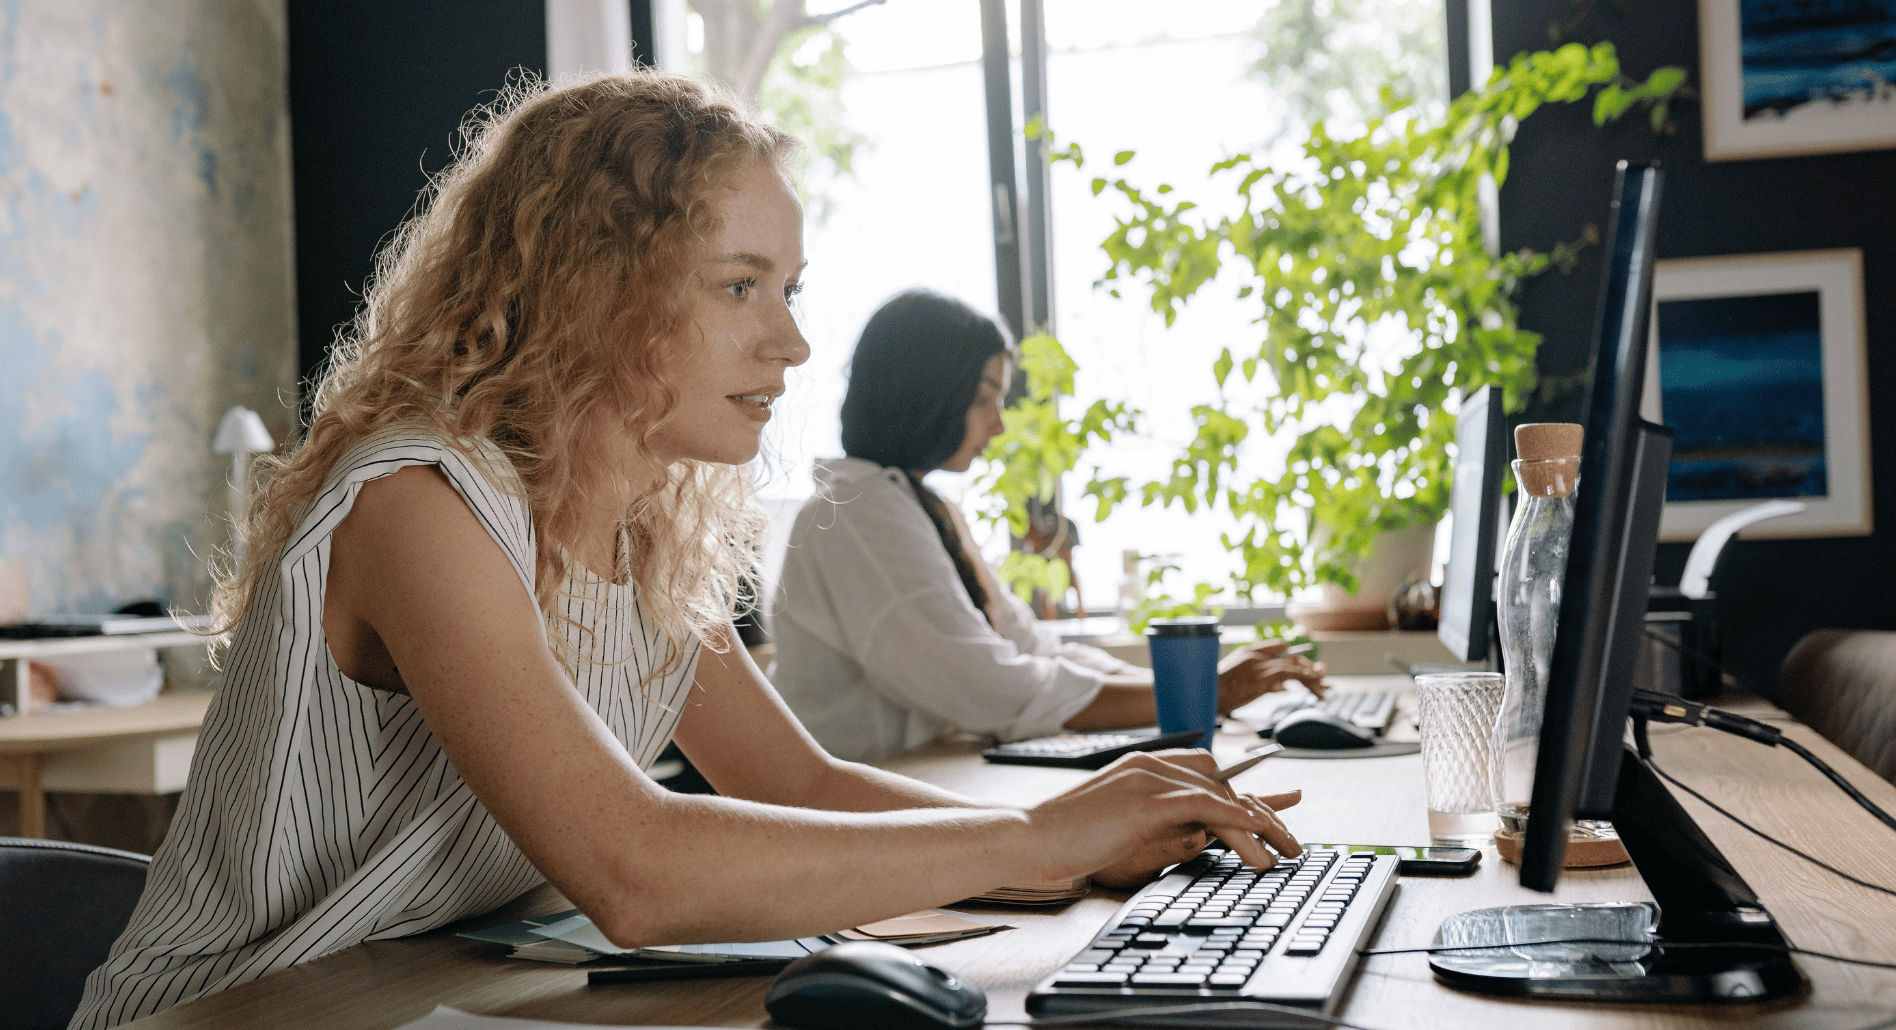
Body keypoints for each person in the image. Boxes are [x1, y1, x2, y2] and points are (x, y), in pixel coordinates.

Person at [69, 74, 1304, 1029]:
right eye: (739, 287)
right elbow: (634, 867)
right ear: (594, 286)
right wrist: (1035, 844)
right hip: (237, 1010)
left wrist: (1076, 843)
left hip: (412, 992)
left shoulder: (647, 526)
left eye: (792, 287)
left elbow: (803, 786)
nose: (793, 344)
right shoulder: (418, 505)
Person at [768, 289, 1327, 764]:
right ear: (928, 392)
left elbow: (1027, 644)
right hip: (871, 804)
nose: (999, 422)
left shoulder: (916, 505)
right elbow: (990, 688)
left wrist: (1198, 692)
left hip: (931, 777)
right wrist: (1205, 693)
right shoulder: (855, 514)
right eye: (985, 396)